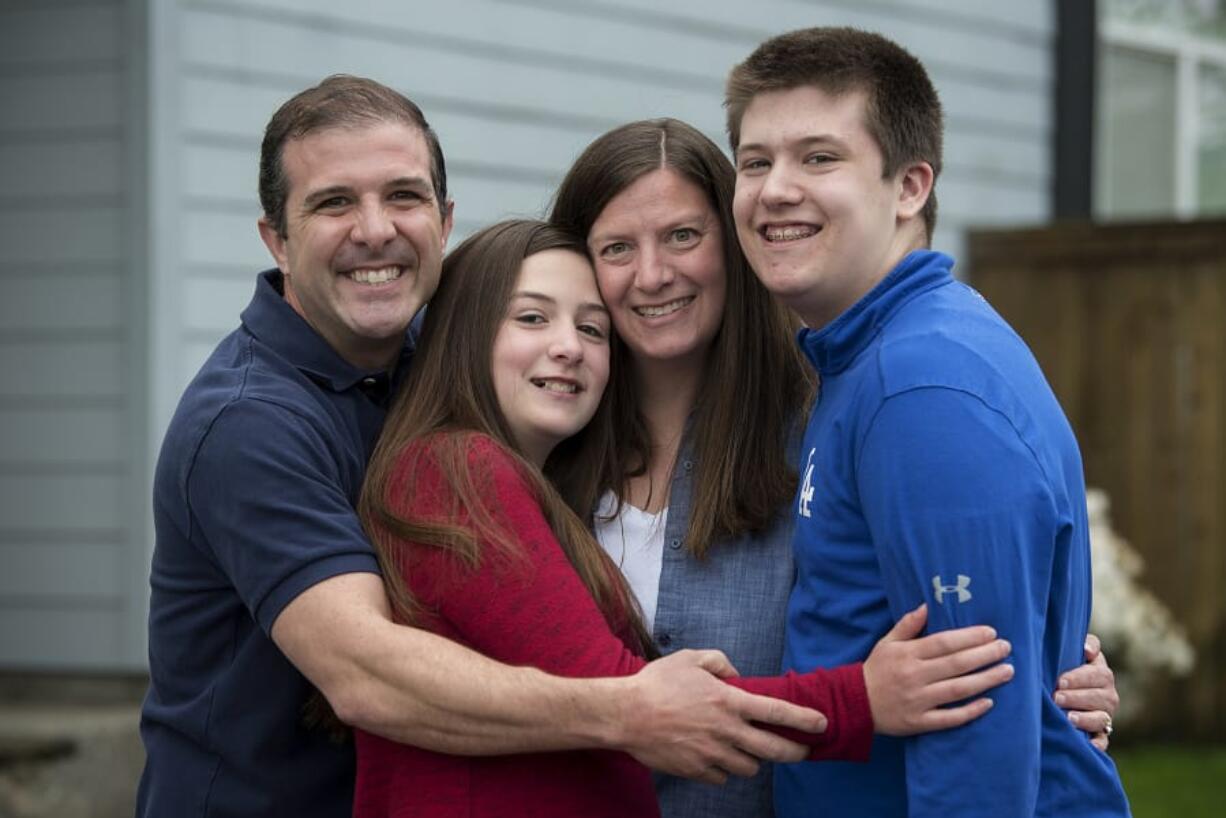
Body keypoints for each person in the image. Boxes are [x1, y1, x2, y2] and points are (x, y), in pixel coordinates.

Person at [137, 74, 839, 818]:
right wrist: (626, 711)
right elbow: (369, 676)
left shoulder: (448, 370)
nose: (375, 230)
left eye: (403, 197)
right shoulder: (250, 423)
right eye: (334, 202)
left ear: (443, 222)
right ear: (276, 238)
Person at [351, 218, 1020, 817]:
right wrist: (865, 700)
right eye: (532, 318)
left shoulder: (528, 483)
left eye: (591, 328)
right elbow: (634, 703)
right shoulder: (455, 470)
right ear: (464, 333)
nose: (569, 347)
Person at [549, 118, 1120, 818]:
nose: (654, 274)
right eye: (615, 248)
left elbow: (957, 632)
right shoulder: (543, 447)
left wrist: (1053, 674)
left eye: (683, 236)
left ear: (735, 245)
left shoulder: (826, 427)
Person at [725, 27, 1131, 816]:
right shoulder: (869, 355)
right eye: (754, 161)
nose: (775, 189)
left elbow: (976, 734)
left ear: (909, 187)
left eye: (819, 157)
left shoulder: (920, 387)